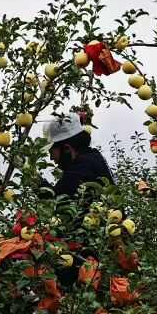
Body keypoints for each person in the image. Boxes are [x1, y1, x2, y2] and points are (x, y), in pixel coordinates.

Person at [43, 114, 114, 286]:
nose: (52, 159)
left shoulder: (83, 166)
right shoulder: (93, 159)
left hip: (88, 259)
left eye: (53, 152)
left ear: (66, 148)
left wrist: (32, 178)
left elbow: (56, 199)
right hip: (95, 253)